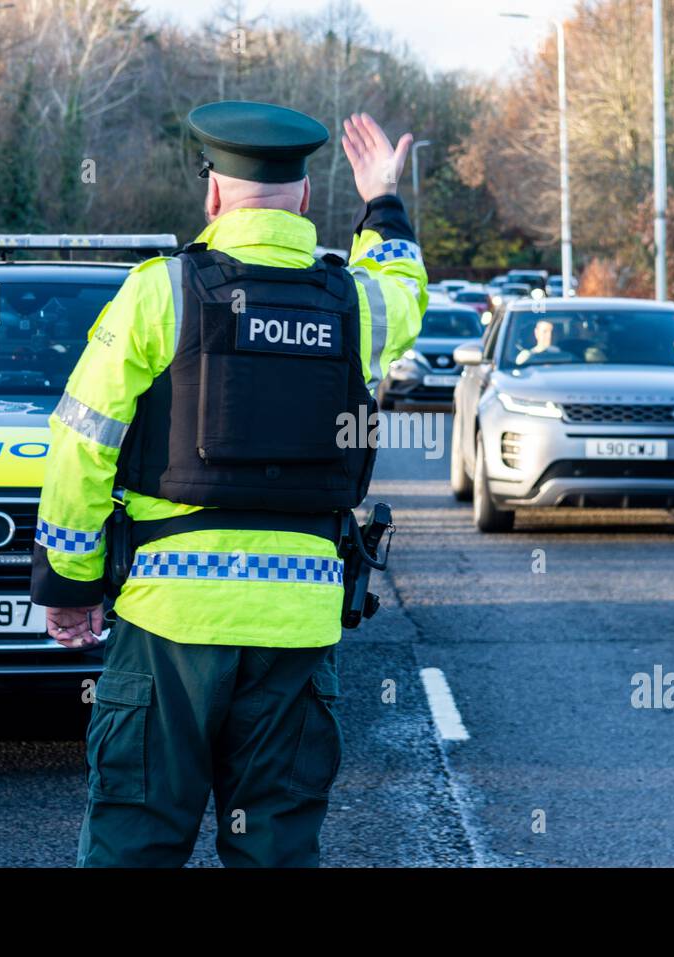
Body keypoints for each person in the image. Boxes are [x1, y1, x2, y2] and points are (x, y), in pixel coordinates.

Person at [30, 101, 426, 867]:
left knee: (133, 843)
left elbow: (81, 441)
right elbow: (407, 288)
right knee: (275, 850)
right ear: (306, 200)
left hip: (168, 629)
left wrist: (70, 584)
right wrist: (383, 199)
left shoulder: (162, 292)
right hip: (297, 633)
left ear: (213, 195)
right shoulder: (355, 303)